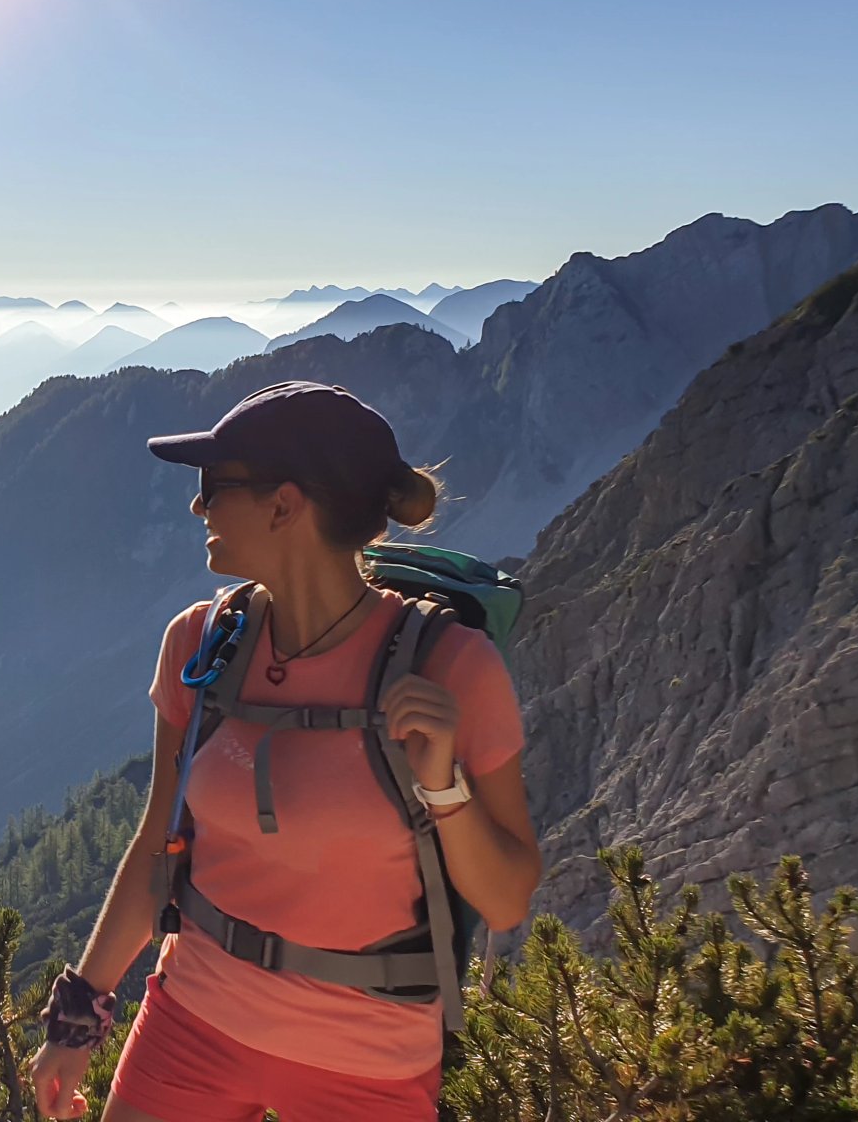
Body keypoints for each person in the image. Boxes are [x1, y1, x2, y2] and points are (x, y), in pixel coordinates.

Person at [28, 381, 543, 1122]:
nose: (198, 507)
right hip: (191, 1021)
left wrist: (444, 787)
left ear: (284, 505)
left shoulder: (451, 669)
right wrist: (76, 1018)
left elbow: (506, 898)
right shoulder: (201, 645)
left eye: (215, 486)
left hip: (367, 1059)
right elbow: (157, 845)